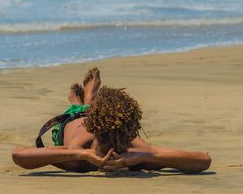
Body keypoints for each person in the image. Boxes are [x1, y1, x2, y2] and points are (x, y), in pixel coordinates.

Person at [12, 67, 211, 174]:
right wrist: (81, 155)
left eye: (119, 146)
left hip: (90, 120)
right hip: (76, 121)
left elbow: (203, 160)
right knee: (79, 112)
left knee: (86, 110)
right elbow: (18, 155)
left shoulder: (135, 153)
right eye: (106, 144)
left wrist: (147, 157)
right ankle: (85, 100)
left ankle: (86, 99)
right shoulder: (78, 153)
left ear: (129, 137)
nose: (110, 153)